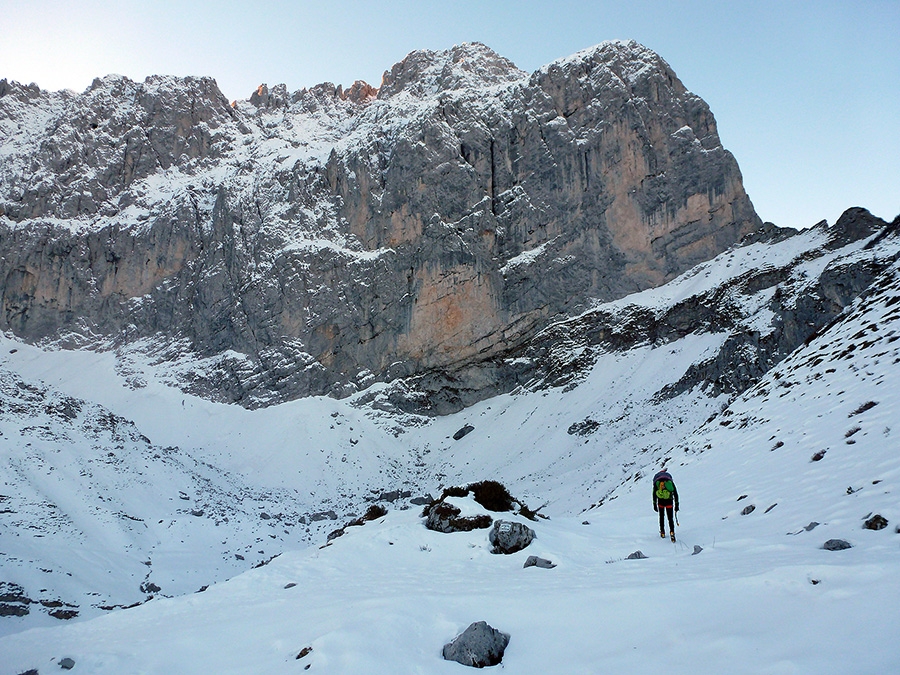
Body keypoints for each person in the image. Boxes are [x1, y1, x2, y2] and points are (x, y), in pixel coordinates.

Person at [652, 469, 679, 542]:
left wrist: (654, 503)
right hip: (669, 502)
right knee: (670, 518)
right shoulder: (669, 482)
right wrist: (677, 505)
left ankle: (662, 532)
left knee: (661, 517)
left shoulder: (657, 482)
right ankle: (672, 532)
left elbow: (654, 493)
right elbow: (675, 493)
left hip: (660, 502)